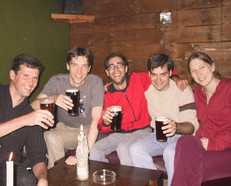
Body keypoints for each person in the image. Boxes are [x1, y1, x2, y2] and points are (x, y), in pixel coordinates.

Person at [89, 52, 186, 166]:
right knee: (95, 150)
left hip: (143, 130)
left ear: (126, 68)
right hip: (119, 133)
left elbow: (163, 73)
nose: (116, 69)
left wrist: (176, 78)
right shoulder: (107, 94)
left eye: (119, 65)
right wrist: (106, 121)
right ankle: (106, 179)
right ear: (107, 72)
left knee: (123, 148)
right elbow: (101, 128)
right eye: (111, 66)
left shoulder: (139, 79)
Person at [0, 54, 54, 186]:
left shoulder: (31, 115)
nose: (31, 83)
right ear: (12, 75)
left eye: (35, 78)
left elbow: (38, 156)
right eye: (26, 76)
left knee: (27, 180)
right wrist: (24, 120)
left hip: (6, 171)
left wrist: (43, 177)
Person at [129, 53, 199, 185]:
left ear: (170, 73)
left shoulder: (182, 89)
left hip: (182, 136)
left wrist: (176, 126)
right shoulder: (147, 89)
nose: (158, 79)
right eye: (154, 74)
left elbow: (191, 126)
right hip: (158, 134)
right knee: (135, 149)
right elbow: (124, 82)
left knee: (170, 152)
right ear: (149, 74)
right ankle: (154, 183)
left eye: (163, 74)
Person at [31, 47, 104, 168]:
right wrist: (54, 98)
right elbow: (33, 105)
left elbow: (96, 120)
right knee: (34, 138)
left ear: (89, 68)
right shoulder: (57, 81)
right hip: (63, 127)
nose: (79, 71)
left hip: (85, 129)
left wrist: (83, 153)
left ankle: (60, 176)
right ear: (67, 66)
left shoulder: (95, 82)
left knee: (52, 137)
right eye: (75, 65)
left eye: (84, 66)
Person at [171, 52, 231, 186]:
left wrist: (214, 142)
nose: (199, 73)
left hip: (226, 147)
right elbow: (170, 75)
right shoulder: (197, 92)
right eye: (193, 70)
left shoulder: (228, 88)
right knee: (184, 141)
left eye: (202, 67)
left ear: (213, 67)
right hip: (204, 143)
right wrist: (176, 79)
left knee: (189, 166)